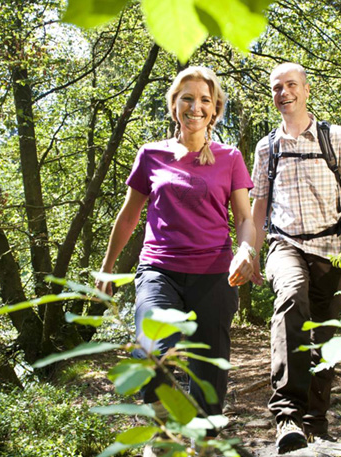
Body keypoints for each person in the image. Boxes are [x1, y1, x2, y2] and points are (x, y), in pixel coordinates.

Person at [96, 66, 257, 440]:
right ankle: (163, 437)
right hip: (159, 270)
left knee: (207, 382)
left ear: (215, 109)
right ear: (174, 105)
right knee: (153, 353)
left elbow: (245, 217)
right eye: (187, 98)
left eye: (205, 100)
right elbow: (129, 216)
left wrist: (246, 250)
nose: (195, 107)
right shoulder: (151, 155)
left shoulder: (230, 157)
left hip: (216, 274)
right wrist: (106, 270)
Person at [250, 63, 341, 454]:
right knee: (290, 296)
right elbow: (258, 208)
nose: (284, 93)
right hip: (284, 244)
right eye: (277, 88)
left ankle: (315, 422)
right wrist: (250, 254)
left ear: (306, 90)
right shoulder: (266, 147)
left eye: (291, 85)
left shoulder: (337, 137)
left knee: (324, 332)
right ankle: (287, 416)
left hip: (332, 249)